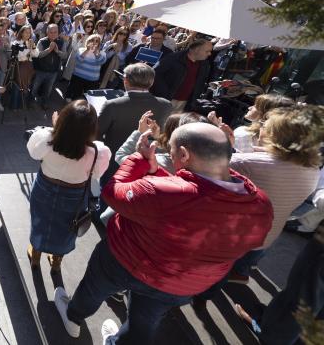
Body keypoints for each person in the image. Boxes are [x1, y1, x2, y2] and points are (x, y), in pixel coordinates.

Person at [54, 123, 273, 344]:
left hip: (124, 260)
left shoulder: (162, 193)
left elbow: (112, 192)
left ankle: (73, 318)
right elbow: (192, 195)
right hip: (183, 284)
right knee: (145, 321)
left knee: (93, 291)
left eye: (172, 151)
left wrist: (139, 159)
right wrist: (154, 171)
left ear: (184, 154)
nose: (170, 155)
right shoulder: (261, 206)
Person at [224, 105, 323, 283]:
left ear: (275, 134)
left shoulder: (244, 162)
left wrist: (226, 148)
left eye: (265, 124)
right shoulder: (313, 169)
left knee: (218, 271)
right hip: (268, 233)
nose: (261, 126)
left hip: (231, 234)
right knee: (239, 263)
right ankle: (239, 274)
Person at [26, 101, 110, 273]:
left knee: (39, 220)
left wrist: (54, 128)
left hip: (44, 188)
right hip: (75, 195)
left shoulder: (47, 138)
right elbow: (96, 175)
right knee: (68, 228)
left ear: (63, 119)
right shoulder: (98, 151)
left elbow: (33, 153)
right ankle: (56, 261)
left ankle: (36, 255)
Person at [96, 63, 172, 184]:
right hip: (148, 165)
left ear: (125, 80)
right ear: (152, 82)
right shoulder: (166, 105)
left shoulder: (112, 105)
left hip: (115, 163)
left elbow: (97, 133)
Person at [152, 38, 213, 112]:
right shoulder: (174, 58)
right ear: (197, 49)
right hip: (166, 100)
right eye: (207, 51)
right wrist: (164, 92)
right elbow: (155, 73)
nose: (209, 54)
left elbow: (201, 82)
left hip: (185, 103)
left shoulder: (205, 64)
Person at [65, 34, 107, 100]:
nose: (94, 42)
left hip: (92, 80)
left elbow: (101, 62)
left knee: (87, 99)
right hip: (78, 77)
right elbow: (78, 60)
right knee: (75, 96)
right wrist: (87, 50)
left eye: (97, 41)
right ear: (88, 41)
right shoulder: (81, 50)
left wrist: (95, 52)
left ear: (99, 44)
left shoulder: (102, 53)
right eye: (92, 40)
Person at [31, 24, 63, 110]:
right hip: (41, 70)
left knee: (48, 89)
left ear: (58, 33)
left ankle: (44, 102)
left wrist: (57, 51)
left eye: (55, 32)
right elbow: (38, 55)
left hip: (53, 71)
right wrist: (49, 50)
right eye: (51, 32)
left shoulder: (61, 42)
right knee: (35, 87)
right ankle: (31, 101)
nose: (53, 34)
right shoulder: (42, 41)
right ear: (47, 32)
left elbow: (65, 55)